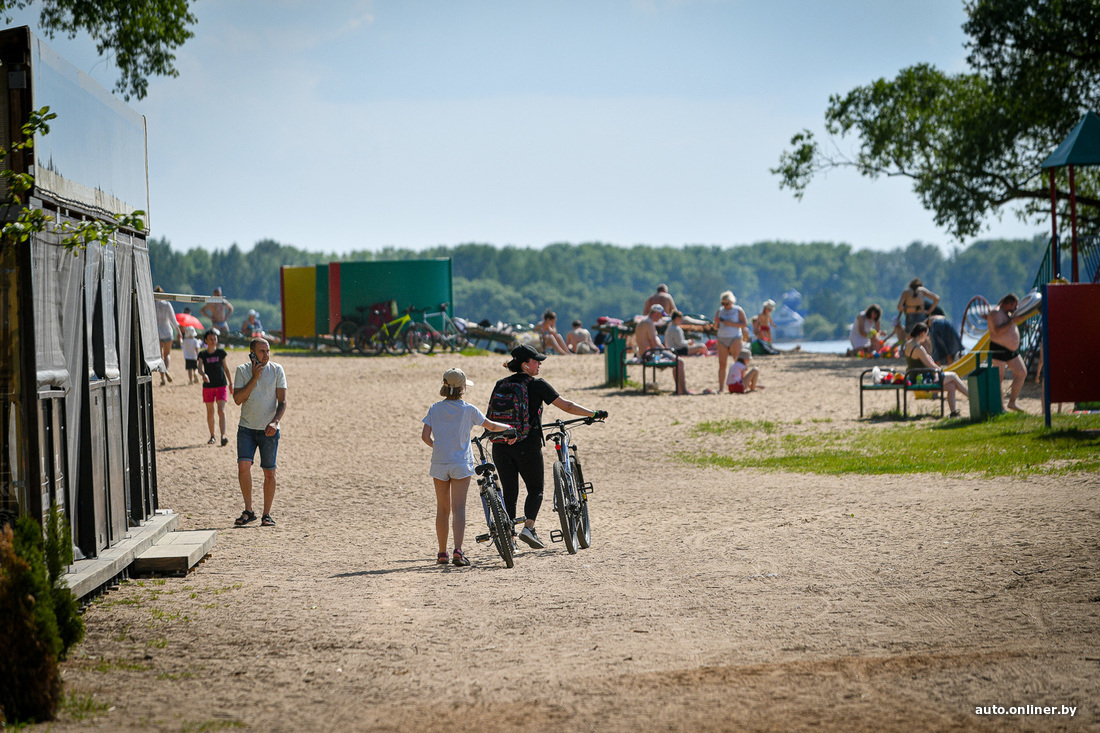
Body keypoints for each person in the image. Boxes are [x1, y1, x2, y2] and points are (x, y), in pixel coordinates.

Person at [488, 344, 606, 550]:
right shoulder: (537, 384)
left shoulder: (501, 384)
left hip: (501, 445)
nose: (539, 363)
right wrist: (592, 414)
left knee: (510, 491)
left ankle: (510, 539)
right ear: (525, 365)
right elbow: (567, 406)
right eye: (536, 361)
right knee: (535, 489)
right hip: (527, 444)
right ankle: (529, 528)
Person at [421, 368, 514, 567]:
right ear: (463, 388)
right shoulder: (468, 409)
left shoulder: (434, 408)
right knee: (459, 508)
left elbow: (425, 437)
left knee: (442, 509)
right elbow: (490, 425)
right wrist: (509, 428)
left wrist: (438, 447)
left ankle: (442, 553)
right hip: (461, 463)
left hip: (439, 462)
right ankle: (458, 551)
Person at [232, 338, 287, 527]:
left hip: (269, 430)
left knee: (269, 472)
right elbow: (238, 399)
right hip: (246, 428)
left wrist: (275, 421)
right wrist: (254, 377)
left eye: (268, 351)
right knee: (243, 466)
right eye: (262, 351)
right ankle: (248, 510)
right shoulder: (242, 370)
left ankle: (267, 514)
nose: (266, 355)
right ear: (252, 353)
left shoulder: (277, 370)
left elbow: (283, 402)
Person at [904, 322, 969, 417]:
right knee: (953, 375)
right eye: (926, 334)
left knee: (951, 386)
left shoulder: (908, 345)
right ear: (922, 333)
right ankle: (972, 397)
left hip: (914, 378)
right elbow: (931, 366)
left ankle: (953, 412)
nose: (926, 337)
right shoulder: (919, 348)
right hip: (924, 380)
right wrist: (940, 369)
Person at [984, 293, 1028, 412]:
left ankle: (1012, 402)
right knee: (999, 377)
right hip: (999, 348)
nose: (1015, 308)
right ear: (1008, 304)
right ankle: (1000, 407)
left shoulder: (1006, 313)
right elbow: (998, 330)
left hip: (1010, 349)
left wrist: (1015, 320)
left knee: (1022, 372)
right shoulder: (996, 313)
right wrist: (1012, 321)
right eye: (1014, 305)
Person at [635, 305, 687, 394]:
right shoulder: (649, 323)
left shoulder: (643, 322)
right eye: (661, 315)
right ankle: (682, 391)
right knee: (679, 362)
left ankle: (680, 390)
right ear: (656, 313)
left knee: (677, 360)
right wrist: (665, 351)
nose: (661, 317)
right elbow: (654, 343)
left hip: (644, 354)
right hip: (650, 355)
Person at [197, 329, 234, 446]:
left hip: (221, 385)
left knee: (221, 410)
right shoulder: (202, 354)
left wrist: (231, 383)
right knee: (210, 412)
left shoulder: (221, 353)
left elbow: (226, 368)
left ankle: (223, 435)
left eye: (215, 339)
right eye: (211, 339)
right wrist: (203, 375)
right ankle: (212, 435)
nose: (213, 341)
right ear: (206, 341)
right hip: (208, 386)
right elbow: (199, 368)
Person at [714, 291, 749, 392]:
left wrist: (729, 323)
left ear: (731, 302)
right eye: (723, 303)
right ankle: (721, 388)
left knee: (739, 363)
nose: (725, 306)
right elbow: (716, 327)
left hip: (735, 337)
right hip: (722, 338)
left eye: (727, 303)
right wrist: (716, 322)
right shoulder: (720, 311)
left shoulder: (738, 310)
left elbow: (744, 324)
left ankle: (743, 384)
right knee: (722, 364)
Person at [153, 286, 178, 385]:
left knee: (159, 356)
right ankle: (166, 369)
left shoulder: (152, 305)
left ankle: (162, 377)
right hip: (167, 331)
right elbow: (173, 319)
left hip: (157, 333)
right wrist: (179, 331)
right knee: (167, 354)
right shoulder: (167, 304)